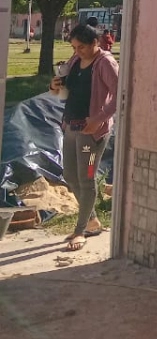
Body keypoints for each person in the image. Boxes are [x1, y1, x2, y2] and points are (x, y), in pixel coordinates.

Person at [49, 24, 118, 252]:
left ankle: (81, 231)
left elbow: (120, 95)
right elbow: (61, 90)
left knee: (86, 177)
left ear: (95, 43)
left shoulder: (105, 63)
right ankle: (92, 220)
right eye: (74, 47)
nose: (77, 52)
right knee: (70, 175)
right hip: (71, 127)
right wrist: (53, 86)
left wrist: (99, 118)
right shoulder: (75, 61)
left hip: (91, 133)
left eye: (82, 47)